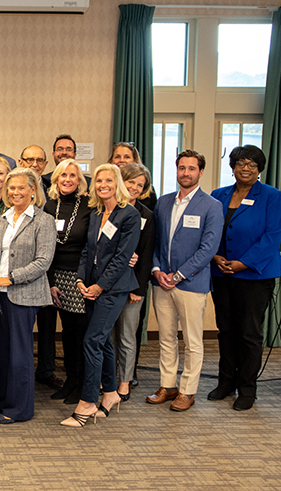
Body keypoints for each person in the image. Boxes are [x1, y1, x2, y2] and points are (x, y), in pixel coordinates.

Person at [61, 164, 140, 427]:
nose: (103, 184)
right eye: (98, 180)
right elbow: (86, 251)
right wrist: (82, 279)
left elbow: (122, 258)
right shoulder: (96, 213)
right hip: (91, 286)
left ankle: (87, 402)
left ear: (117, 182)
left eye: (108, 180)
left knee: (92, 341)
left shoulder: (129, 215)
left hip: (113, 288)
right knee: (103, 341)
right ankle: (110, 394)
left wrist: (100, 286)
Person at [209, 145, 281, 411]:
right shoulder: (218, 195)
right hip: (221, 272)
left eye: (252, 164)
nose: (246, 168)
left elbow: (272, 236)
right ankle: (226, 382)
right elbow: (210, 230)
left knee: (249, 333)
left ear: (260, 168)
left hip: (255, 275)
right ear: (232, 166)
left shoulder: (272, 196)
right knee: (226, 330)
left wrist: (244, 263)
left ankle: (247, 389)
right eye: (241, 162)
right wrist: (215, 256)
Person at [146, 150, 223, 412]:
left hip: (191, 283)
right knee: (166, 338)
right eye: (181, 168)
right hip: (161, 282)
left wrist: (179, 275)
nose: (186, 173)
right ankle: (168, 386)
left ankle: (188, 391)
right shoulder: (164, 202)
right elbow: (154, 242)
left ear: (201, 172)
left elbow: (209, 248)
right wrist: (156, 270)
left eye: (191, 168)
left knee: (192, 341)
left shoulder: (212, 205)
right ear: (176, 170)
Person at [0, 167, 55, 424]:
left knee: (19, 355)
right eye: (11, 188)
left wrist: (10, 278)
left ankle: (19, 410)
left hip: (24, 295)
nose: (15, 192)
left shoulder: (43, 221)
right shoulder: (3, 219)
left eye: (21, 187)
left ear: (33, 191)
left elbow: (43, 261)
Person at [43, 159, 93, 404]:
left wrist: (81, 278)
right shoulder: (49, 205)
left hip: (79, 277)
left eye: (73, 175)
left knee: (80, 333)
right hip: (56, 277)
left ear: (79, 180)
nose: (67, 180)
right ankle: (71, 380)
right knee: (67, 334)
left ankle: (83, 384)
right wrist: (50, 281)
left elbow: (91, 244)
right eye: (63, 175)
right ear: (55, 179)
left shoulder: (88, 205)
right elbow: (45, 248)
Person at [109, 141, 157, 386]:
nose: (135, 188)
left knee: (127, 336)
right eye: (131, 182)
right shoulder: (107, 210)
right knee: (108, 337)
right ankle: (109, 379)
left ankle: (125, 381)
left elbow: (146, 255)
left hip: (132, 286)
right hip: (106, 284)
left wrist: (139, 289)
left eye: (141, 185)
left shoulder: (147, 216)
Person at [19, 144, 60, 389]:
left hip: (47, 266)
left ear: (46, 164)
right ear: (21, 161)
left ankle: (45, 370)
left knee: (47, 323)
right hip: (19, 268)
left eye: (40, 160)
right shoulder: (14, 189)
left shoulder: (53, 193)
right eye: (29, 159)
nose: (35, 164)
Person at [110, 142, 156, 211]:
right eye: (117, 157)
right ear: (111, 161)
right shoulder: (105, 187)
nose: (122, 160)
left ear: (135, 160)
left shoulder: (149, 191)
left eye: (127, 157)